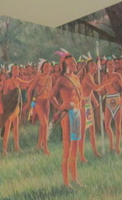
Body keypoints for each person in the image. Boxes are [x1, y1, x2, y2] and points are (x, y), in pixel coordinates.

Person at [50, 53, 83, 187]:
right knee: (67, 148)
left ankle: (75, 179)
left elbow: (80, 96)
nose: (75, 64)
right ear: (65, 65)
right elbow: (51, 96)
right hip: (67, 115)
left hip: (77, 113)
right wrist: (60, 106)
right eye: (72, 63)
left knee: (75, 146)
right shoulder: (61, 79)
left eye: (75, 62)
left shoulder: (76, 78)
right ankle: (66, 182)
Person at [27, 60, 55, 155]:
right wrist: (29, 103)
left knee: (43, 126)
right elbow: (30, 90)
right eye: (46, 66)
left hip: (47, 103)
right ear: (42, 68)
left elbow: (50, 92)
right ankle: (45, 148)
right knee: (45, 125)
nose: (48, 68)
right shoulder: (38, 77)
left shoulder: (50, 78)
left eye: (49, 66)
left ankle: (39, 144)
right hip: (38, 102)